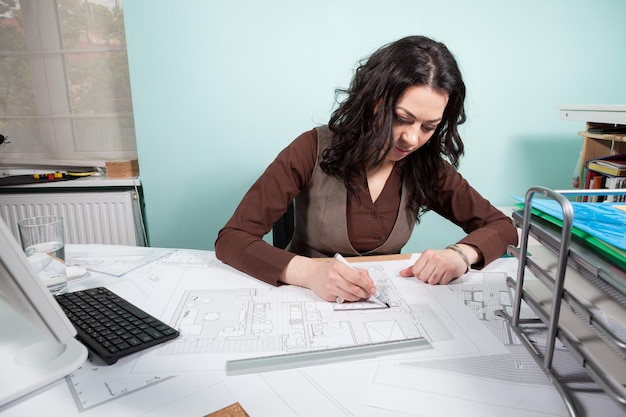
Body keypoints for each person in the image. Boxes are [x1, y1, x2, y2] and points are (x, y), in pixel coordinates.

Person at [215, 35, 518, 303]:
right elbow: (232, 238)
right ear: (374, 101)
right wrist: (310, 273)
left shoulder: (426, 165)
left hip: (384, 306)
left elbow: (502, 226)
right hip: (307, 300)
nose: (412, 139)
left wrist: (460, 255)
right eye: (401, 118)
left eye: (429, 127)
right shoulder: (311, 148)